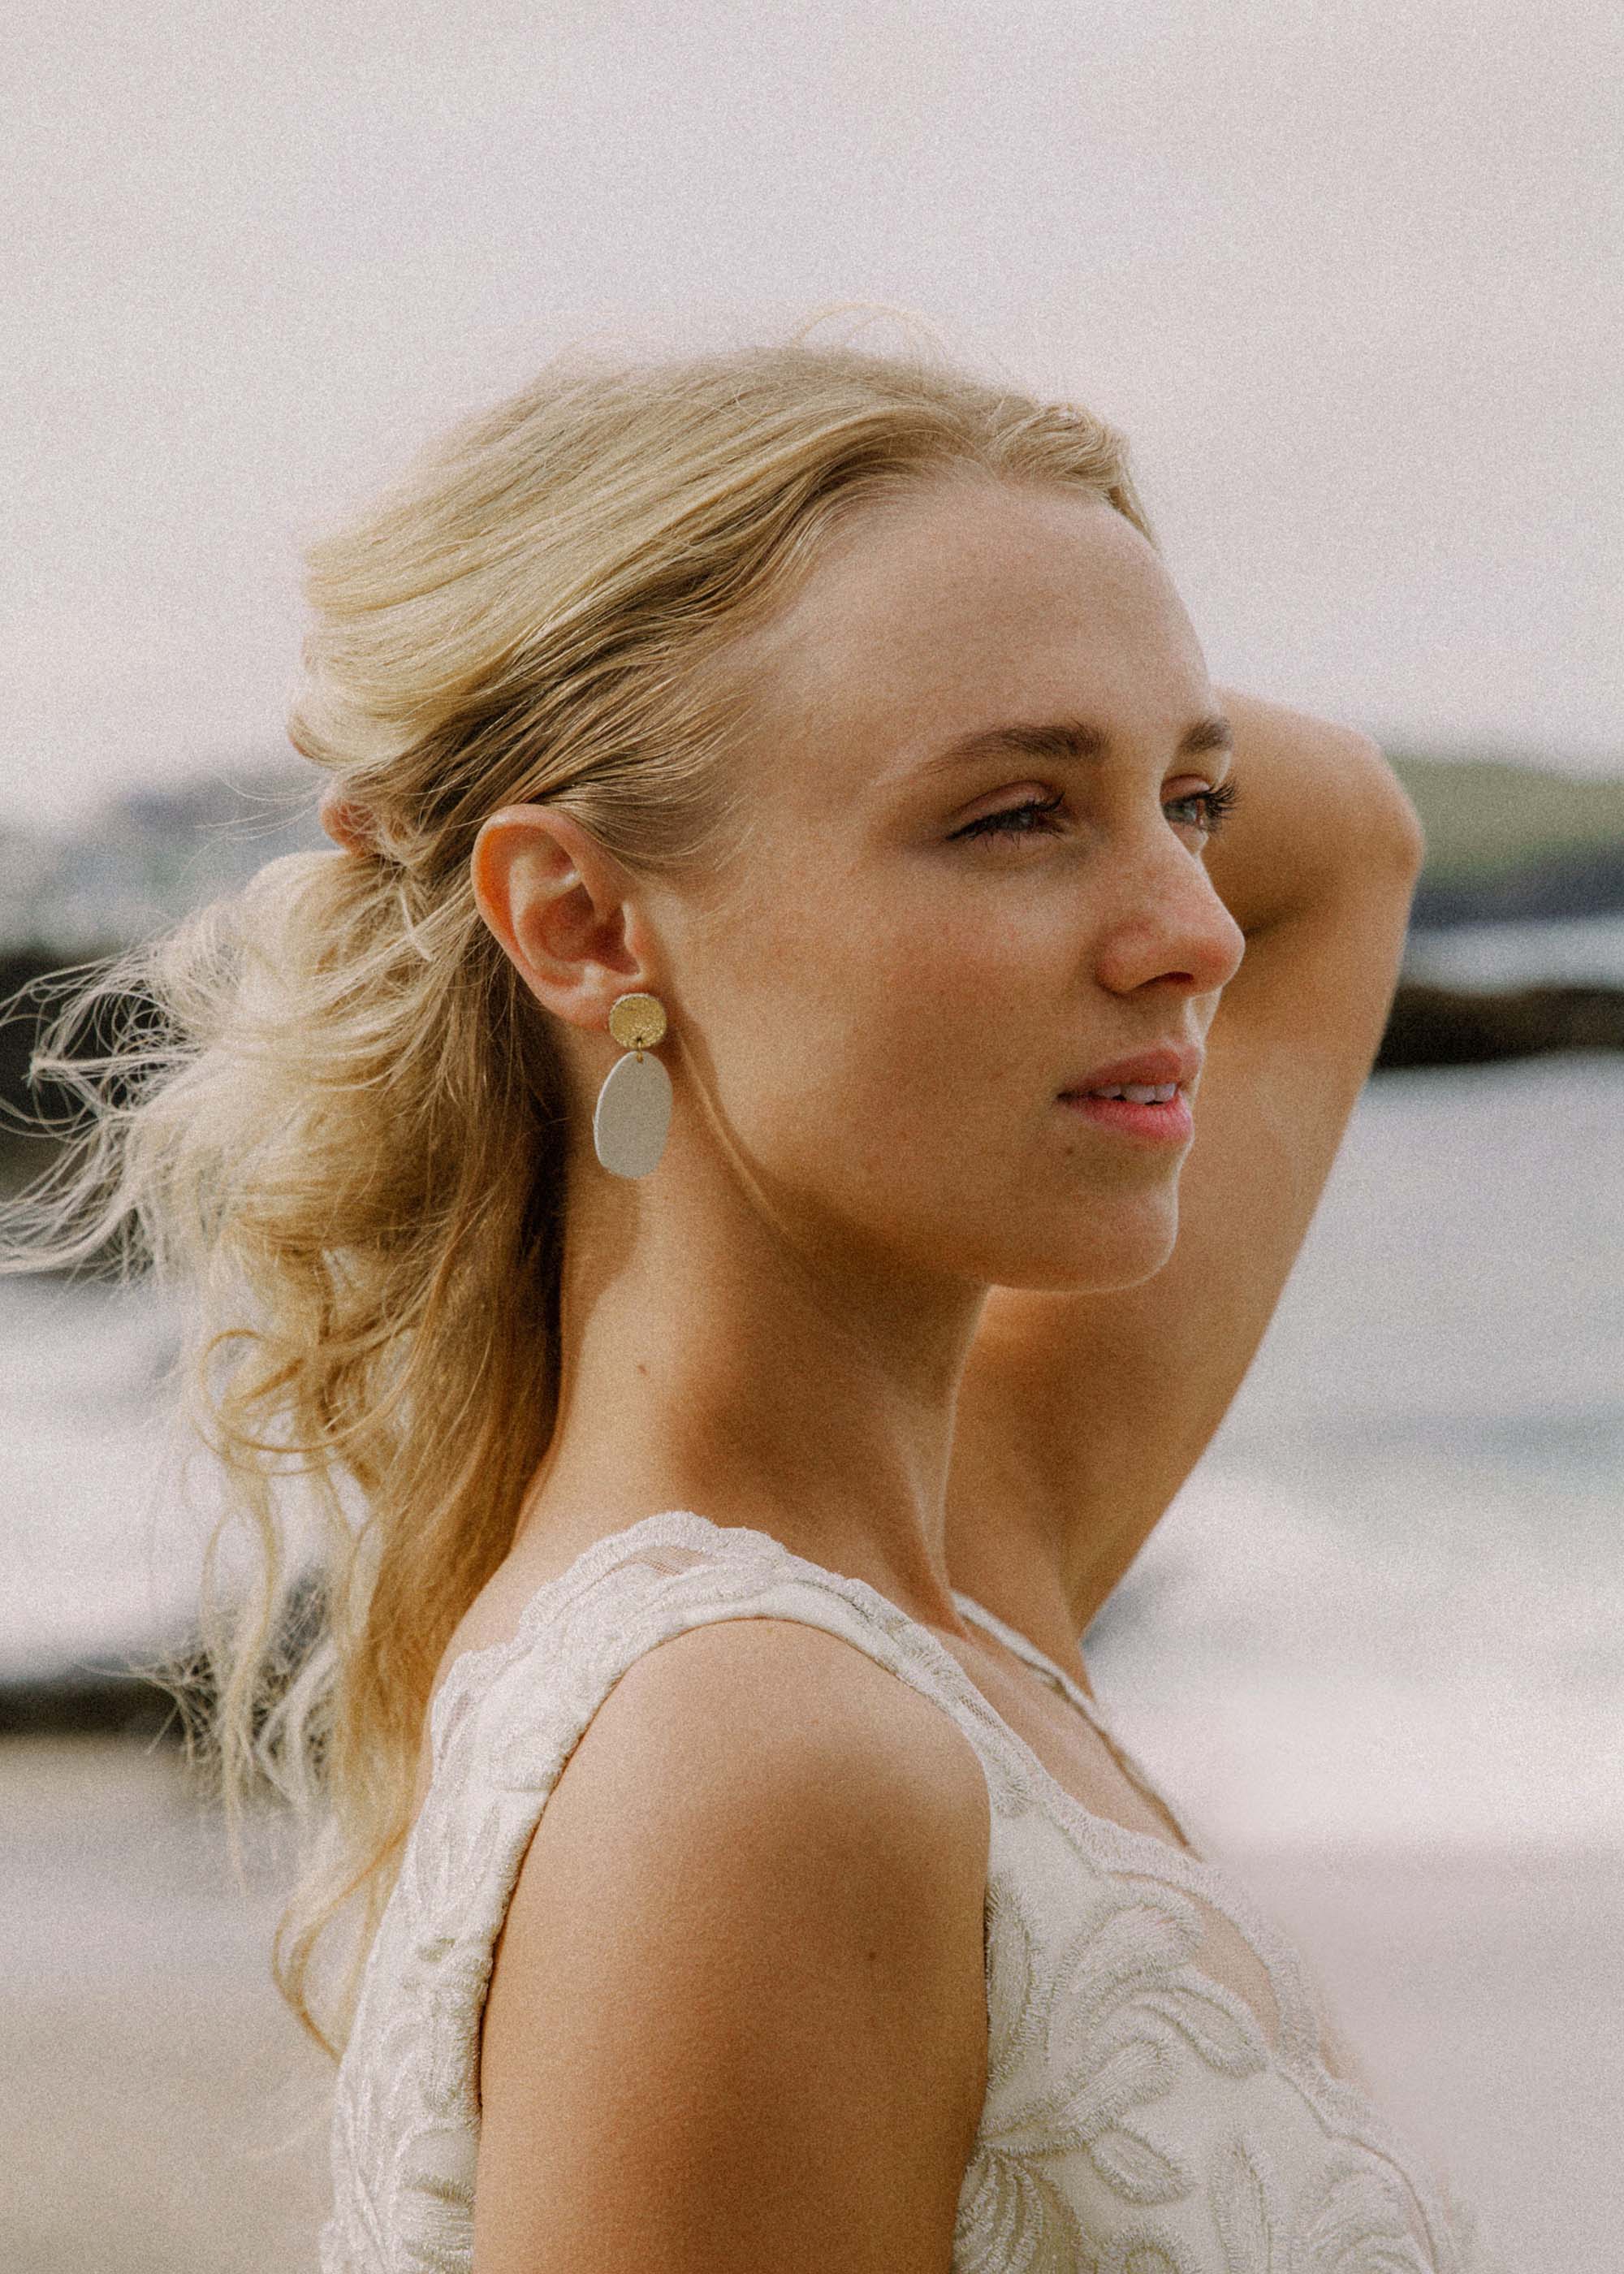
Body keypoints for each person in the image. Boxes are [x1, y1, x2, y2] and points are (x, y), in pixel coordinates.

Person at [11, 332, 1506, 2271]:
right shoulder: (762, 1756)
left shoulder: (945, 1578)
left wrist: (1004, 638)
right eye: (1011, 817)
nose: (1195, 927)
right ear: (577, 920)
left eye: (1189, 802)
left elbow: (1354, 839)